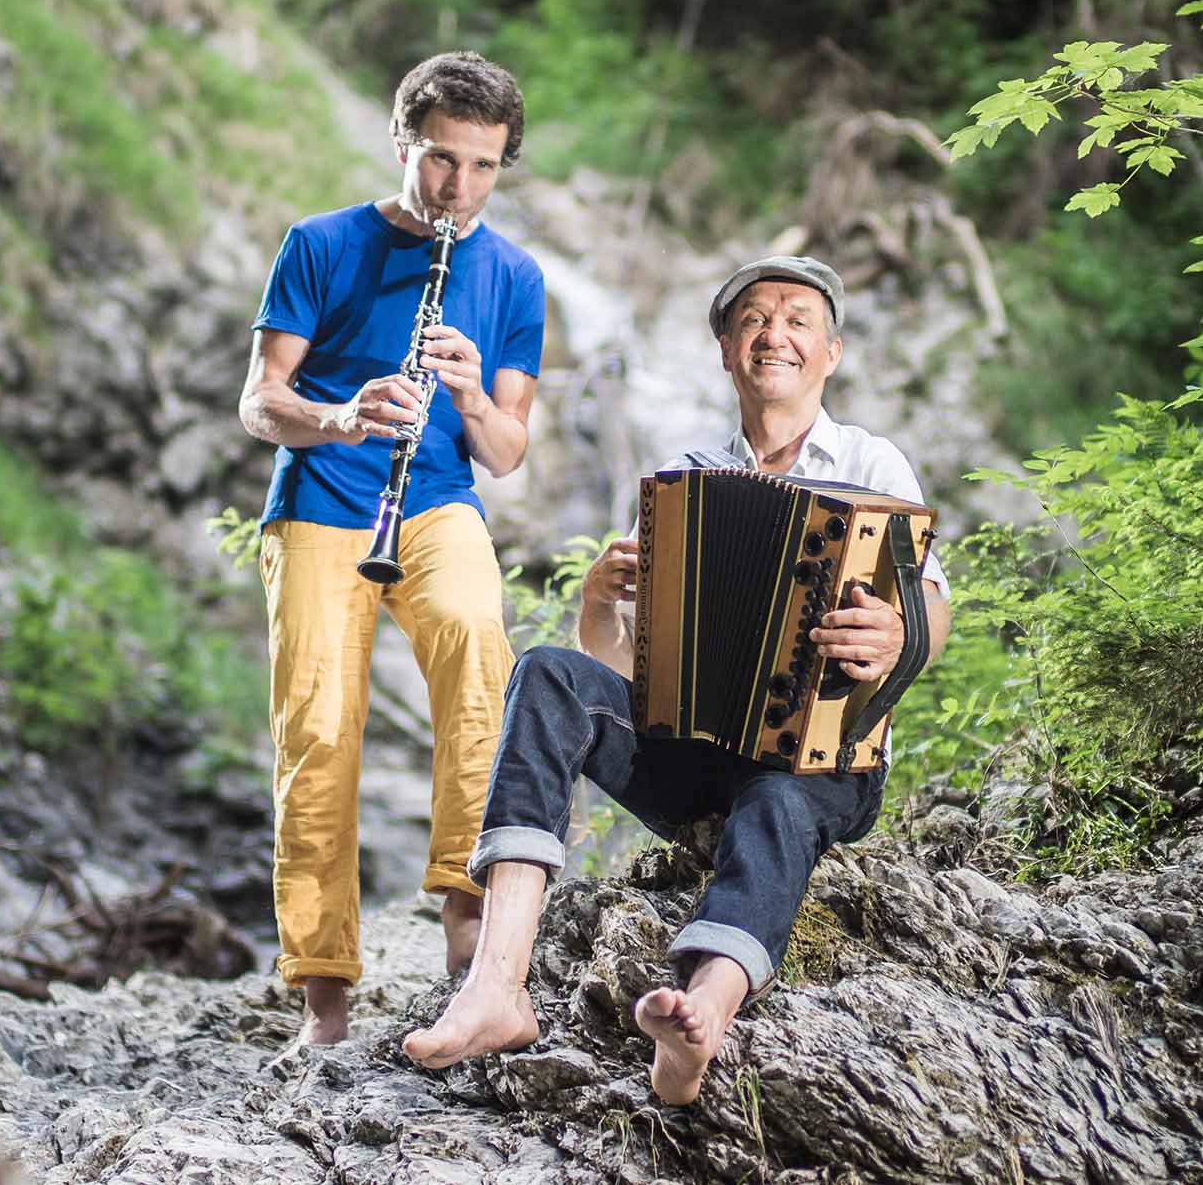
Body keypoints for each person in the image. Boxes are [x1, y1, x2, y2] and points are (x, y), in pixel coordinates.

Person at [402, 256, 951, 1104]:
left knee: (780, 796)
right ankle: (496, 983)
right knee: (548, 672)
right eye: (754, 319)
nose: (777, 334)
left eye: (798, 319)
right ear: (727, 350)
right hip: (693, 758)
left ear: (831, 352)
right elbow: (621, 673)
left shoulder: (874, 465)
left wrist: (895, 631)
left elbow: (931, 611)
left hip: (826, 763)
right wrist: (596, 602)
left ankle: (699, 1022)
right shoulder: (683, 481)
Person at [237, 52, 545, 1045]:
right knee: (318, 731)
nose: (460, 188)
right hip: (322, 502)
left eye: (485, 167)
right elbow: (259, 400)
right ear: (401, 141)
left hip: (439, 501)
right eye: (441, 160)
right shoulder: (320, 243)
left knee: (475, 647)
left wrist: (465, 394)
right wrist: (339, 415)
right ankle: (324, 993)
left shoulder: (514, 277)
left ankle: (467, 921)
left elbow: (505, 449)